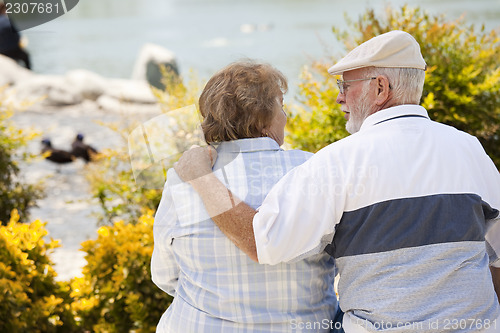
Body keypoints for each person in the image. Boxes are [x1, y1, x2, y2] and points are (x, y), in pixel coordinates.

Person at [173, 31, 500, 332]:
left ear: (380, 88)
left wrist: (201, 178)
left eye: (345, 87)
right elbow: (497, 252)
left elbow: (263, 242)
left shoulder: (337, 161)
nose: (339, 99)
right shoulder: (470, 149)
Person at [151, 60, 341, 332]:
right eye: (282, 107)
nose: (285, 116)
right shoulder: (314, 169)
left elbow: (165, 275)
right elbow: (339, 261)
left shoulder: (185, 175)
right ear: (264, 120)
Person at [0, 2, 31, 69]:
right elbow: (17, 37)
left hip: (1, 52)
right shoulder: (8, 21)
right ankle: (29, 72)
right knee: (26, 56)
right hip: (13, 51)